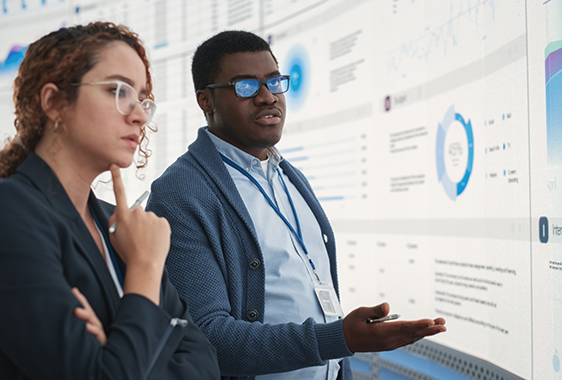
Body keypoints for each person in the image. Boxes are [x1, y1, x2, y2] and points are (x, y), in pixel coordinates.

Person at [146, 30, 446, 380]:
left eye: (274, 82)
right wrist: (341, 338)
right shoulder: (179, 193)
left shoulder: (288, 176)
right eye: (245, 86)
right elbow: (209, 339)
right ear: (206, 101)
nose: (266, 97)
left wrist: (341, 350)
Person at [0, 22, 219, 379]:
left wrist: (114, 347)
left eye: (142, 98)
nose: (140, 115)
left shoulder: (120, 224)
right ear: (53, 102)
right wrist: (144, 269)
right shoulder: (7, 211)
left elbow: (204, 365)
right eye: (118, 90)